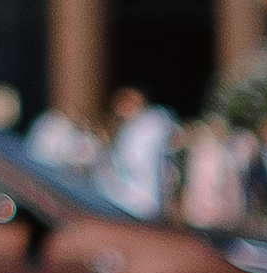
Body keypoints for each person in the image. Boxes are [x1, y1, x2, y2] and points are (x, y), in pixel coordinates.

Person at [103, 85, 176, 221]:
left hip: (140, 206)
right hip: (126, 202)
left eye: (130, 100)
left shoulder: (151, 124)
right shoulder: (127, 129)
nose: (123, 105)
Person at [181, 119, 250, 234]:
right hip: (205, 213)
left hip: (215, 215)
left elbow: (230, 188)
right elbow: (193, 184)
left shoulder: (225, 156)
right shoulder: (202, 155)